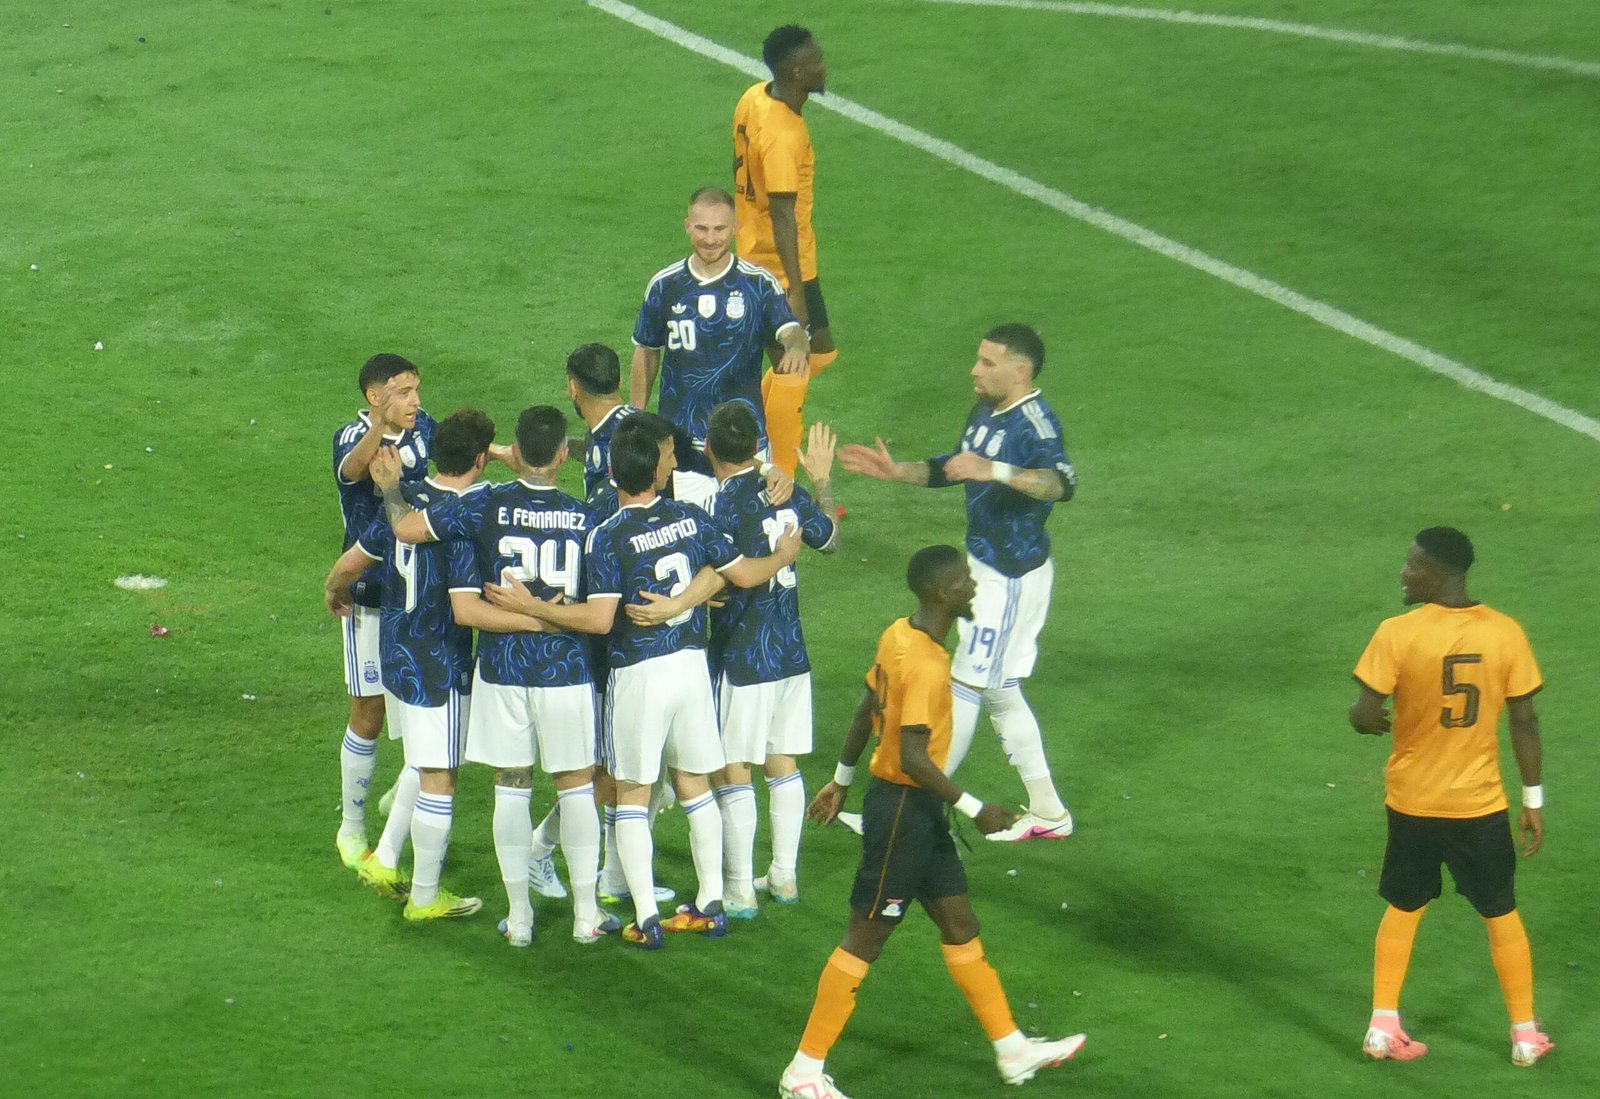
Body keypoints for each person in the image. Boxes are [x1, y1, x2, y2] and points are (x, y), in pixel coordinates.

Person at [780, 546, 1086, 1099]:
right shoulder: (925, 664)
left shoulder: (898, 633)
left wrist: (841, 780)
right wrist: (978, 810)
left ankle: (1013, 1050)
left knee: (959, 925)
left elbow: (864, 708)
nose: (973, 588)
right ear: (943, 592)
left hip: (913, 809)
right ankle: (803, 1072)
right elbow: (913, 755)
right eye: (966, 582)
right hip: (902, 812)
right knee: (863, 939)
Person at [486, 417, 802, 948]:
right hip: (691, 669)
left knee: (631, 795)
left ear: (610, 474)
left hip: (639, 675)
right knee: (695, 785)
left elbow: (600, 621)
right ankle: (708, 903)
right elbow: (733, 573)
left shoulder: (605, 536)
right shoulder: (689, 516)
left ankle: (646, 917)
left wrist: (532, 606)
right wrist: (782, 557)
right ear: (657, 472)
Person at [838, 324, 1076, 842]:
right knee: (1000, 689)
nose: (974, 369)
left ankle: (914, 809)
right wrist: (899, 472)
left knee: (967, 682)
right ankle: (1050, 811)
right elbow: (956, 467)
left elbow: (1060, 484)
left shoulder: (1035, 423)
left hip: (1009, 576)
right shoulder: (985, 409)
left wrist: (997, 470)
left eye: (988, 363)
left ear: (1021, 370)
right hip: (988, 565)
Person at [389, 406, 611, 946]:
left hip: (504, 670)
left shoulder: (483, 505)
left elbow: (407, 528)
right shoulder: (589, 518)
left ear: (515, 448)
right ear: (563, 455)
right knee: (576, 786)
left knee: (511, 788)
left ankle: (520, 920)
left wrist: (395, 488)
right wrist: (550, 616)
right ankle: (586, 916)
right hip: (566, 669)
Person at [1349, 527, 1553, 1067]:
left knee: (1404, 904)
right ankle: (1525, 1035)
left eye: (1412, 564)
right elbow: (1525, 722)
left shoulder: (1397, 632)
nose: (1403, 571)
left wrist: (1370, 725)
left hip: (1412, 802)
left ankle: (1382, 1026)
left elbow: (1365, 712)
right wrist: (1533, 799)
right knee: (1500, 911)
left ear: (1440, 573)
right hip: (1478, 806)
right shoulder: (1507, 634)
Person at [324, 409, 496, 922]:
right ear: (482, 459)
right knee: (441, 775)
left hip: (396, 650)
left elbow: (355, 560)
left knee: (422, 760)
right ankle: (424, 897)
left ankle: (385, 858)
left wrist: (332, 587)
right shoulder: (474, 510)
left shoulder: (409, 496)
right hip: (439, 657)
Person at [703, 405, 838, 913]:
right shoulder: (788, 491)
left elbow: (719, 580)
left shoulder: (719, 508)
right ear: (758, 446)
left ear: (711, 449)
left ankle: (739, 889)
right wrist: (820, 481)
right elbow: (831, 538)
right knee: (782, 763)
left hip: (742, 654)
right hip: (790, 651)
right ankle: (784, 877)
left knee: (732, 768)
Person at [330, 354, 435, 869]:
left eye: (417, 390)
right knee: (369, 711)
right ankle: (351, 828)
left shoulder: (422, 427)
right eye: (404, 391)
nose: (416, 400)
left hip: (419, 591)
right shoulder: (352, 437)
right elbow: (352, 470)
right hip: (369, 593)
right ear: (376, 397)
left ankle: (402, 793)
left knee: (426, 707)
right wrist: (379, 429)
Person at [630, 187, 808, 467]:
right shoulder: (665, 285)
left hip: (744, 443)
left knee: (745, 511)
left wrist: (796, 347)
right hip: (680, 444)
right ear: (687, 227)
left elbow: (791, 331)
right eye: (701, 229)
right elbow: (647, 350)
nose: (710, 239)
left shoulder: (758, 284)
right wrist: (637, 418)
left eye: (719, 229)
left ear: (735, 228)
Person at [733, 26, 837, 477]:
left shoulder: (755, 95)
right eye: (815, 60)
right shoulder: (783, 136)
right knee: (797, 366)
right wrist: (794, 290)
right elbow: (782, 214)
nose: (823, 65)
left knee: (822, 353)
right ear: (796, 71)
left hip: (764, 254)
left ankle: (740, 427)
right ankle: (779, 475)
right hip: (778, 266)